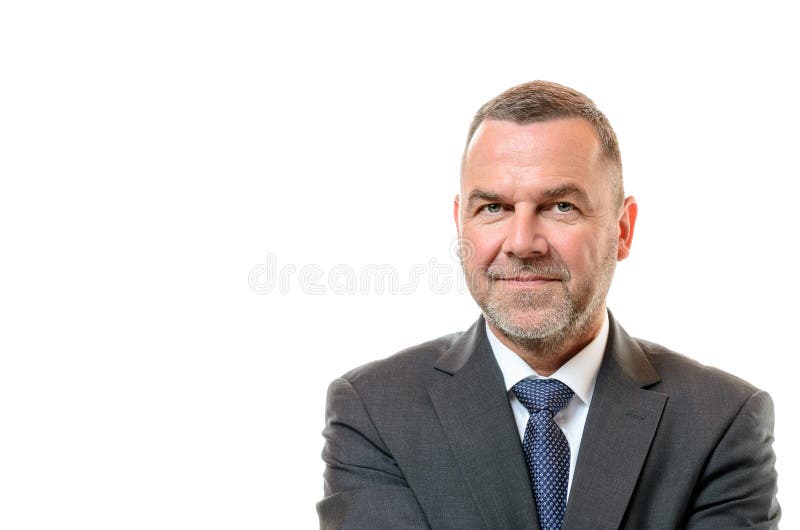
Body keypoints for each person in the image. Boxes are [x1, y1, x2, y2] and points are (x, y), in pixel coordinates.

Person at [316, 81, 780, 529]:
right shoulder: (376, 412)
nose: (521, 243)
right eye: (493, 208)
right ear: (461, 225)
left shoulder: (721, 421)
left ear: (622, 230)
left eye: (560, 206)